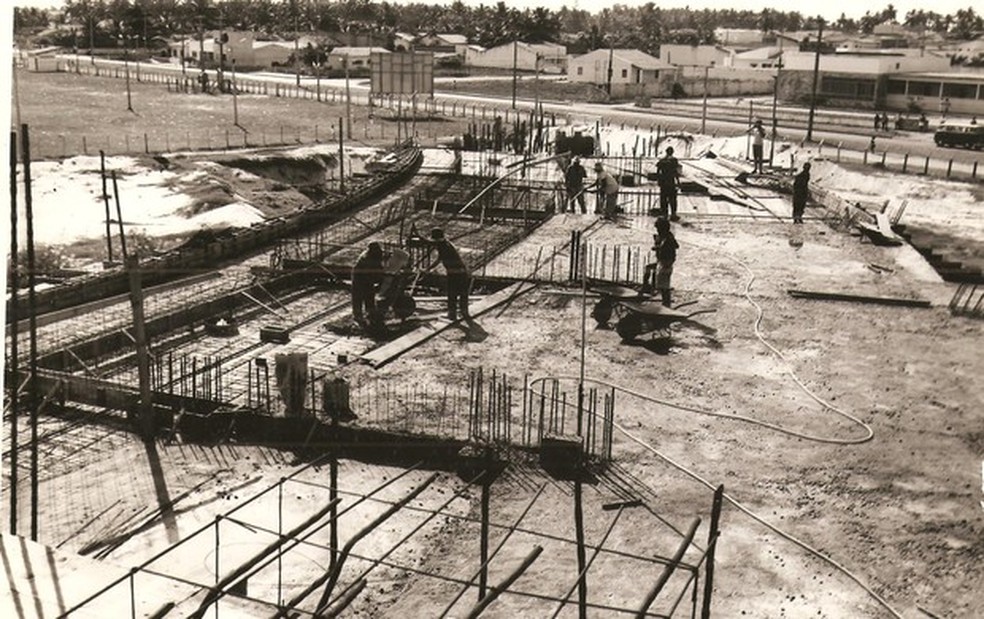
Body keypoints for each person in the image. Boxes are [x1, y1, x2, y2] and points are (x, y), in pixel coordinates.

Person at [428, 228, 471, 322]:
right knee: (463, 294)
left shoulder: (442, 246)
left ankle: (452, 315)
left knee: (452, 294)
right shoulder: (447, 243)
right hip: (462, 272)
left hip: (454, 273)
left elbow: (438, 260)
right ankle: (464, 313)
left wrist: (428, 268)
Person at [643, 218, 679, 306]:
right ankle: (647, 287)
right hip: (662, 262)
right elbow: (675, 245)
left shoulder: (668, 238)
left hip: (666, 263)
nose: (657, 231)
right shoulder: (667, 236)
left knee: (664, 286)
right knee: (648, 268)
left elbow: (672, 246)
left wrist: (658, 246)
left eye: (658, 229)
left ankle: (666, 304)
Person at [351, 241, 385, 329]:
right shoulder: (366, 258)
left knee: (369, 297)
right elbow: (370, 273)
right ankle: (358, 317)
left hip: (368, 278)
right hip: (359, 278)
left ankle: (371, 315)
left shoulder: (376, 255)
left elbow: (379, 267)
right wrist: (377, 280)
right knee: (358, 297)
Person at [655, 146, 681, 221]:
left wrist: (659, 180)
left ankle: (664, 214)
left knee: (663, 198)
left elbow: (658, 171)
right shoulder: (674, 160)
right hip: (671, 181)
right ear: (672, 152)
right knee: (672, 199)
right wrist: (678, 181)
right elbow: (675, 172)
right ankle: (673, 214)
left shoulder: (662, 161)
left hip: (664, 181)